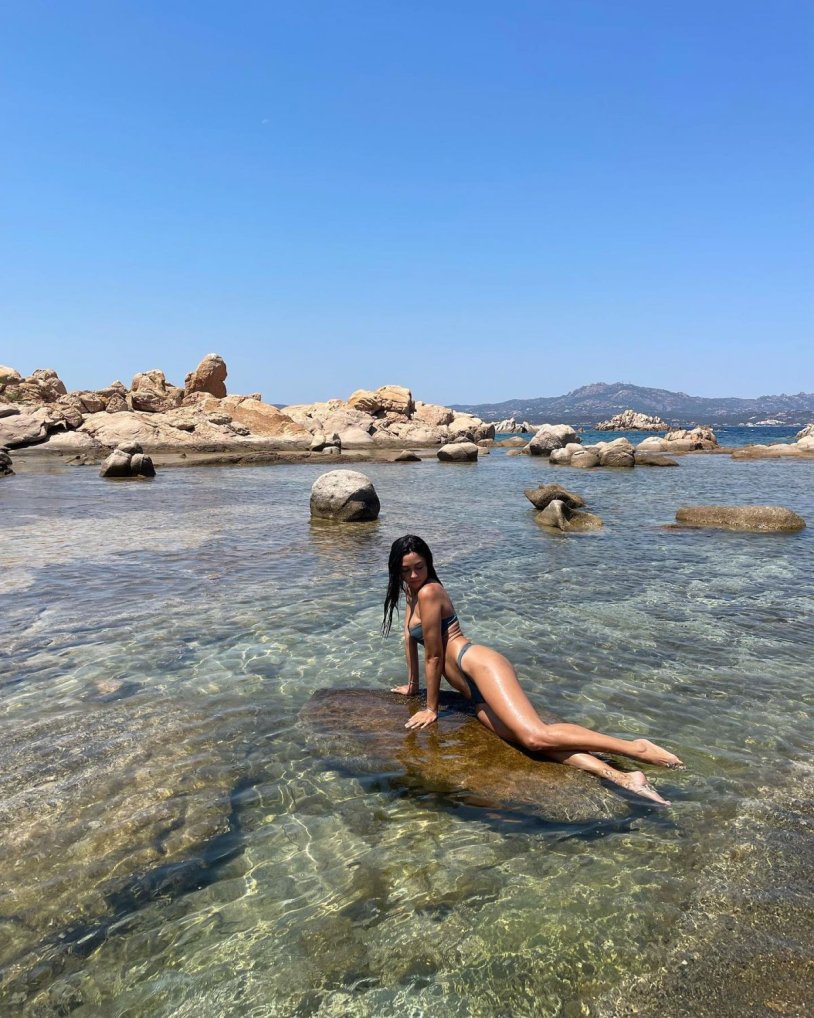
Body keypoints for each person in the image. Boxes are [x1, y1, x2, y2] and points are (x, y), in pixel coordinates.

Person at [382, 535, 684, 806]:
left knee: (536, 735)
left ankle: (635, 748)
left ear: (429, 563)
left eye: (418, 567)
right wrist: (411, 685)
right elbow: (410, 636)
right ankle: (621, 776)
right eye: (406, 570)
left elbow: (434, 656)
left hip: (478, 665)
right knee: (532, 744)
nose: (413, 575)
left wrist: (431, 708)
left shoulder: (429, 592)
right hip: (471, 690)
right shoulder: (412, 590)